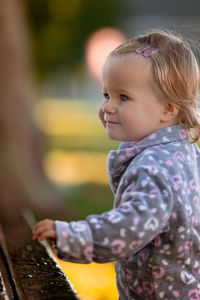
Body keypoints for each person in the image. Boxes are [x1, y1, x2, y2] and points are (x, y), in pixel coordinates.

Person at [33, 30, 200, 299]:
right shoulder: (182, 152)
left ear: (168, 109)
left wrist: (73, 235)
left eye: (123, 97)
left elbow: (129, 226)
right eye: (106, 94)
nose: (108, 107)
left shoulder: (156, 169)